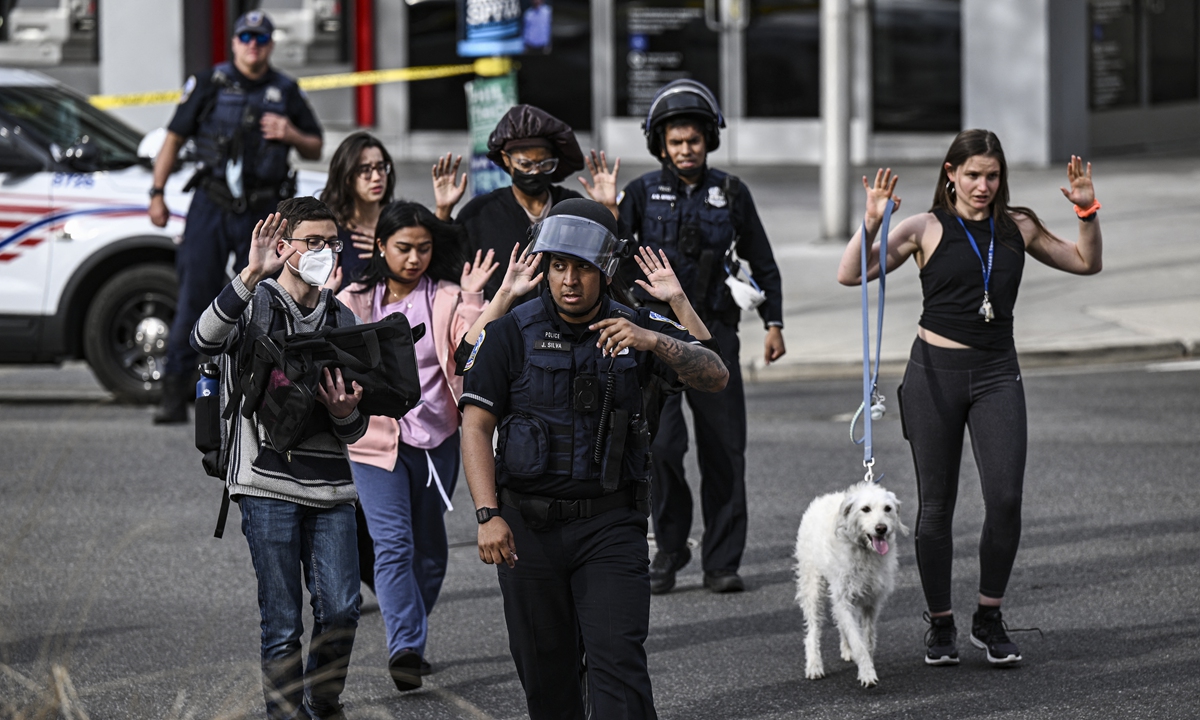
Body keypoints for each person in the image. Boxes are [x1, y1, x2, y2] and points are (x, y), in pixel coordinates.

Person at [836, 130, 1103, 667]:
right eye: (973, 175)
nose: (983, 186)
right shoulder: (925, 227)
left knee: (1005, 498)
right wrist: (870, 221)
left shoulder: (1018, 226)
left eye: (993, 175)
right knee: (936, 506)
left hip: (997, 373)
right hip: (934, 373)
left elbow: (1084, 262)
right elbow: (850, 274)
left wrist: (1087, 210)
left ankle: (988, 615)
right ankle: (940, 625)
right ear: (950, 173)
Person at [458, 198, 729, 720]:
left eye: (582, 267)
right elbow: (475, 424)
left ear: (605, 269)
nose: (569, 280)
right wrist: (488, 515)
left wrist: (655, 339)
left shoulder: (637, 327)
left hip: (611, 525)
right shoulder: (511, 331)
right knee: (546, 678)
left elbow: (714, 375)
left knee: (619, 673)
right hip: (526, 530)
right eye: (559, 265)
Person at [191, 196, 366, 719]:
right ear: (285, 246)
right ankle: (285, 714)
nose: (325, 253)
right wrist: (249, 273)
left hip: (332, 486)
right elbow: (203, 336)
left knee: (341, 609)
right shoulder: (256, 301)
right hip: (265, 484)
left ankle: (324, 699)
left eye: (331, 243)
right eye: (313, 243)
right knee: (283, 619)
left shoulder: (342, 315)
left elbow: (355, 429)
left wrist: (342, 412)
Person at [612, 79, 786, 594]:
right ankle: (668, 549)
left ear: (708, 140)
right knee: (661, 449)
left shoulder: (732, 192)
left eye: (693, 140)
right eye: (675, 142)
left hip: (715, 337)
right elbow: (617, 264)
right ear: (660, 145)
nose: (685, 150)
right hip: (656, 340)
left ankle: (722, 561)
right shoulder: (640, 194)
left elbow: (764, 260)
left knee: (725, 450)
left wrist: (774, 323)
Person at [334, 202, 490, 692]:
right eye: (403, 247)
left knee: (430, 549)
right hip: (373, 440)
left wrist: (473, 297)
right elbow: (329, 344)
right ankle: (404, 647)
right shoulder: (356, 298)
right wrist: (324, 295)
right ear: (381, 247)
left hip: (437, 440)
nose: (414, 257)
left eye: (424, 248)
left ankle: (411, 631)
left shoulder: (444, 296)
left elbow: (474, 345)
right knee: (393, 543)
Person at [151, 10, 323, 424]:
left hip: (264, 212)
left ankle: (270, 389)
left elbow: (315, 145)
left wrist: (291, 133)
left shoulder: (285, 90)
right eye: (246, 37)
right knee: (195, 293)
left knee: (269, 299)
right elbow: (173, 137)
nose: (253, 45)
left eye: (261, 39)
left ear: (270, 44)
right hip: (212, 205)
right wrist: (156, 194)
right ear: (234, 42)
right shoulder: (209, 83)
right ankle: (176, 392)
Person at [430, 104, 619, 300]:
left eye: (544, 164)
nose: (535, 172)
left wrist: (610, 210)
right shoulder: (479, 213)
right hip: (497, 325)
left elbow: (615, 267)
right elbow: (441, 270)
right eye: (525, 164)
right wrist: (443, 212)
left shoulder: (573, 208)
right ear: (507, 159)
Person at [321, 132, 397, 286]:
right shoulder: (330, 230)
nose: (376, 177)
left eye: (381, 167)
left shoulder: (399, 222)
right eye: (365, 169)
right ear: (347, 177)